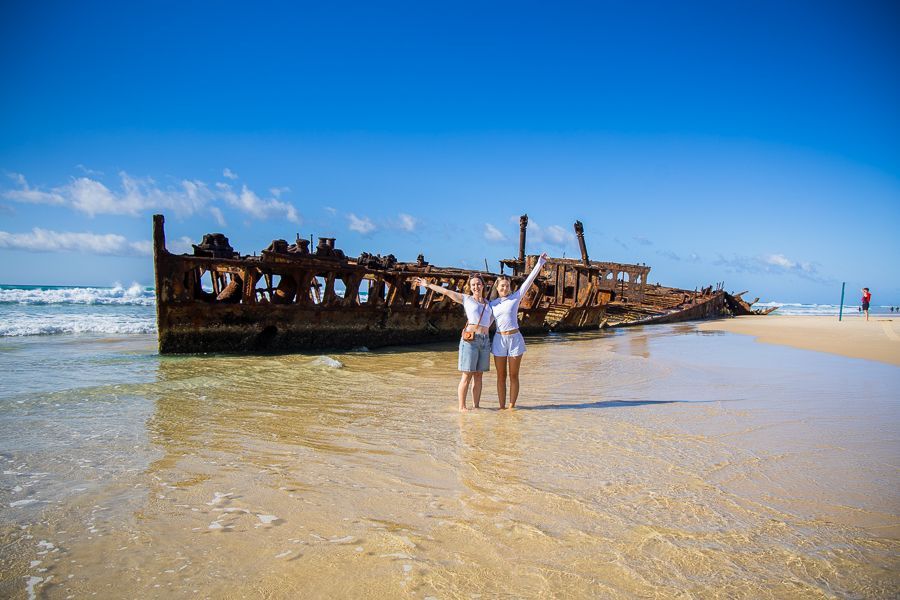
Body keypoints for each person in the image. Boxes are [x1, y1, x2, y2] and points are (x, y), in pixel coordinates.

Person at [415, 274, 493, 411]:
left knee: (479, 375)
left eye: (478, 284)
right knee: (467, 375)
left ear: (483, 285)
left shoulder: (488, 303)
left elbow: (491, 319)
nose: (476, 287)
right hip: (471, 340)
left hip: (485, 341)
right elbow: (446, 292)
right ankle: (462, 407)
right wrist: (428, 285)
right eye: (473, 284)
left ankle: (476, 407)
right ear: (470, 287)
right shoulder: (466, 299)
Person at [490, 253, 549, 409]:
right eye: (502, 286)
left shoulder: (515, 298)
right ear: (497, 287)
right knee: (500, 376)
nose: (505, 288)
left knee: (514, 375)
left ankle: (511, 407)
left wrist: (540, 263)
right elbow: (483, 321)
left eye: (507, 285)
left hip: (515, 339)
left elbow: (528, 282)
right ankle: (501, 407)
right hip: (499, 340)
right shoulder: (492, 304)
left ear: (510, 287)